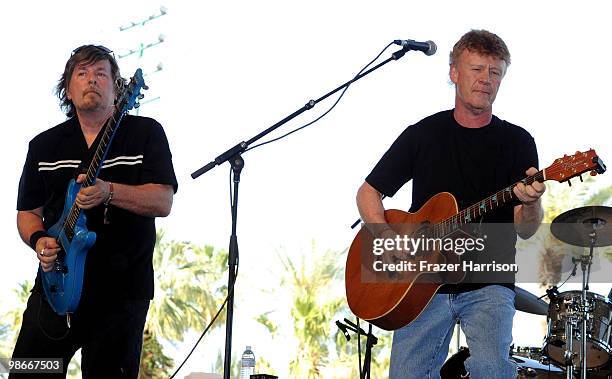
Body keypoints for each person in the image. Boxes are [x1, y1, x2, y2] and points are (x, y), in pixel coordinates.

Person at [356, 30, 545, 378]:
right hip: (422, 283)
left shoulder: (518, 141)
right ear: (454, 73)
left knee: (492, 369)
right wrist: (386, 236)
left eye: (495, 72)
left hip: (489, 282)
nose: (486, 80)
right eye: (476, 69)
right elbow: (368, 193)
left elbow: (526, 227)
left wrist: (531, 203)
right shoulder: (422, 134)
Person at [11, 44, 177, 378]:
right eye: (82, 74)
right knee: (28, 371)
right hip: (55, 285)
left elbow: (162, 200)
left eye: (101, 73)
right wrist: (41, 240)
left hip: (122, 291)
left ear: (117, 88)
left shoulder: (145, 133)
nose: (92, 80)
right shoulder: (43, 146)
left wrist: (109, 191)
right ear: (68, 90)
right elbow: (28, 212)